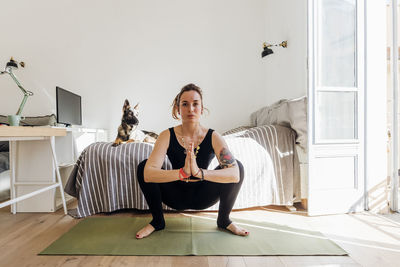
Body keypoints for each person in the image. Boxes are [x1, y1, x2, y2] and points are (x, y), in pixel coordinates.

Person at [136, 83, 249, 239]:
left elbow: (235, 174)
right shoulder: (166, 135)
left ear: (202, 109)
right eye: (185, 104)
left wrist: (199, 173)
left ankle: (224, 220)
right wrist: (182, 173)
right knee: (143, 166)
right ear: (178, 109)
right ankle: (157, 221)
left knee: (238, 166)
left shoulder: (214, 136)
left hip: (204, 196)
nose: (190, 109)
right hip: (175, 196)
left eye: (196, 104)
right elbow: (148, 174)